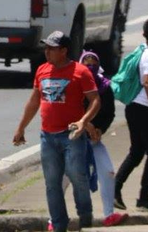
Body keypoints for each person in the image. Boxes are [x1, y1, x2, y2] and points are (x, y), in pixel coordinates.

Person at [13, 32, 100, 232]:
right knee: (52, 183)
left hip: (71, 135)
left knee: (78, 177)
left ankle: (85, 217)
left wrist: (83, 121)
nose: (47, 52)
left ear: (63, 51)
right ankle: (59, 224)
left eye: (52, 48)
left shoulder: (80, 72)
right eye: (46, 47)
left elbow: (95, 100)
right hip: (48, 136)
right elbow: (34, 101)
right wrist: (21, 128)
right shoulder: (42, 70)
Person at [114, 17, 148, 212]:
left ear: (144, 34)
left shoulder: (142, 51)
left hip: (133, 107)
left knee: (137, 152)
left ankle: (116, 188)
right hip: (145, 109)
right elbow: (147, 82)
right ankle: (144, 198)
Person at [81, 51, 128, 227]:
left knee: (108, 173)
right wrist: (86, 124)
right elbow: (71, 109)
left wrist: (100, 129)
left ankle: (109, 214)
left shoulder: (105, 87)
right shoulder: (75, 84)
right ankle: (53, 219)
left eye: (93, 62)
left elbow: (109, 113)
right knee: (65, 178)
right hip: (76, 142)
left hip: (94, 141)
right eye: (86, 62)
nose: (90, 66)